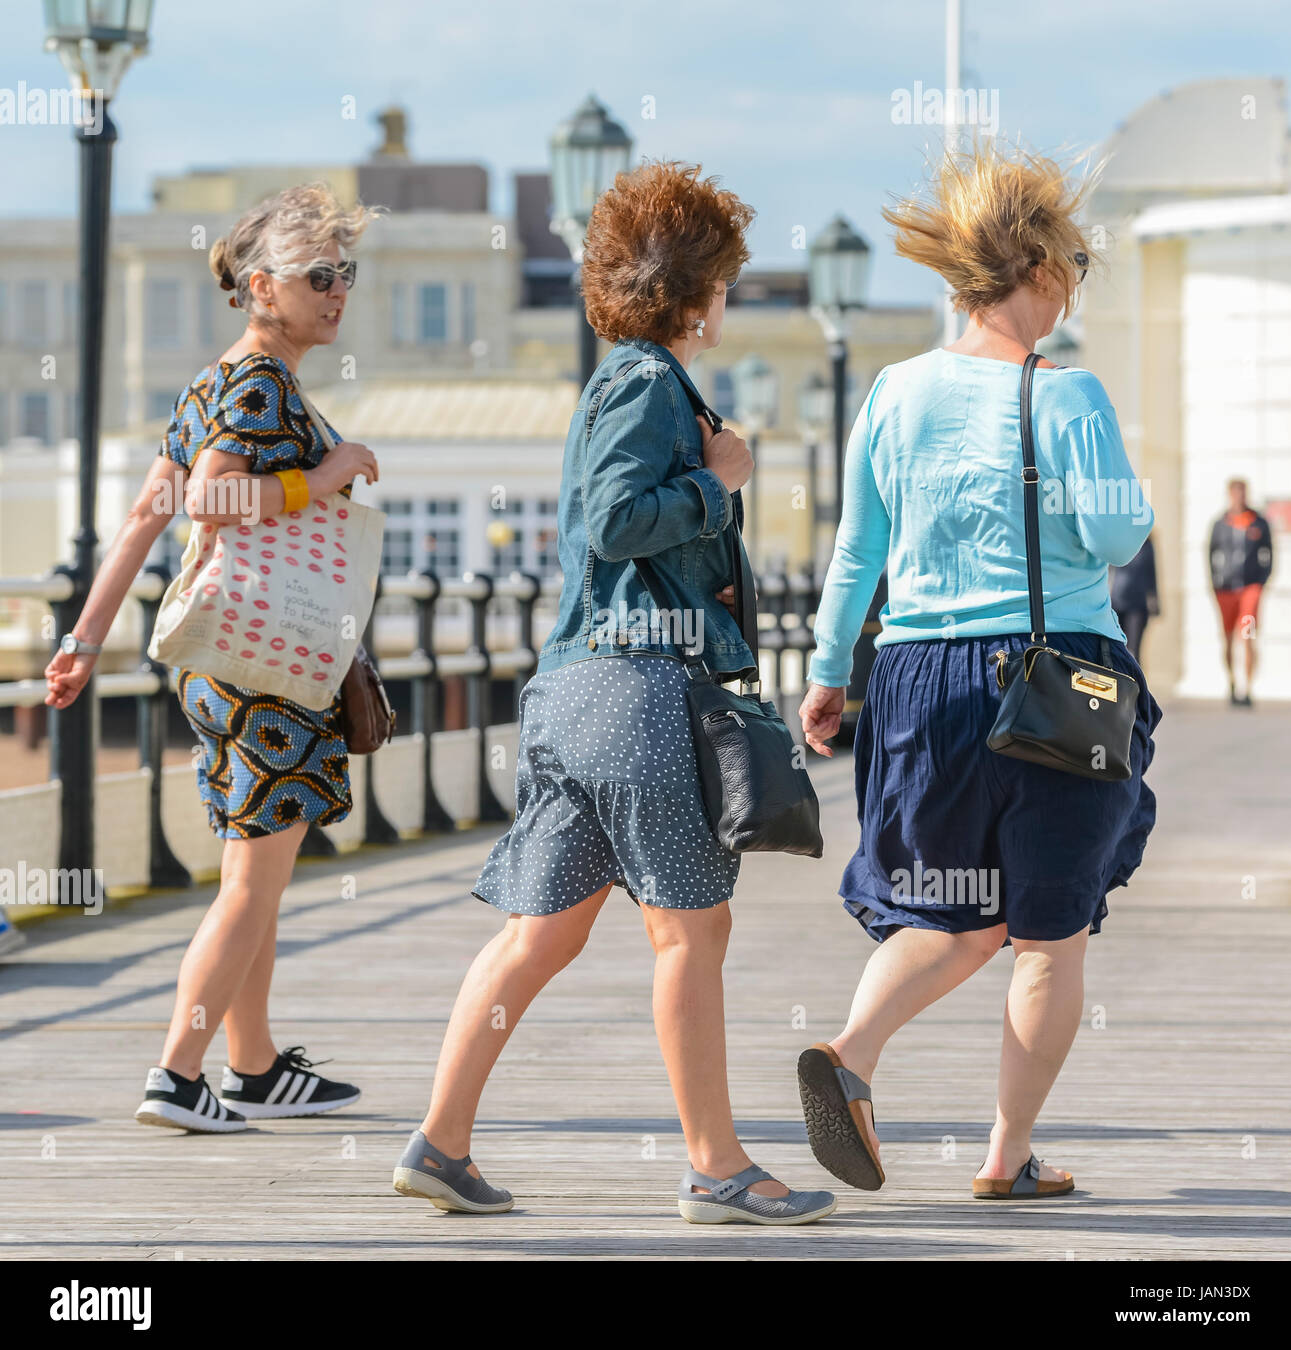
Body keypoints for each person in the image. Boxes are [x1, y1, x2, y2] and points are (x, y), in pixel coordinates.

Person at [392, 161, 836, 1225]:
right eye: (725, 278)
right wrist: (716, 484)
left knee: (538, 934)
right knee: (692, 932)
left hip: (573, 691)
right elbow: (617, 521)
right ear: (697, 290)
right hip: (638, 693)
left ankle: (440, 1142)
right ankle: (716, 1165)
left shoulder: (624, 382)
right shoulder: (646, 383)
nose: (729, 295)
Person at [796, 141, 1161, 1200]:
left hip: (914, 680)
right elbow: (1113, 538)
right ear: (1041, 269)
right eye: (1074, 271)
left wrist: (826, 674)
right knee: (1048, 934)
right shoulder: (1069, 393)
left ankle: (852, 1053)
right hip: (1056, 685)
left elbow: (856, 552)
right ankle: (1004, 1156)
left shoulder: (891, 393)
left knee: (948, 909)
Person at [44, 184, 381, 1132]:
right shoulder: (258, 385)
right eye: (320, 274)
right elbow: (210, 504)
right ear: (262, 287)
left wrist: (81, 640)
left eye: (345, 272)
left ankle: (255, 1063)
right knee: (250, 886)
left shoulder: (211, 381)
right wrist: (328, 472)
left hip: (223, 660)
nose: (338, 290)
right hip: (262, 665)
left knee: (255, 875)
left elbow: (146, 516)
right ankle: (177, 1074)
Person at [1210, 479, 1273, 707]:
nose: (1239, 498)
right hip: (1225, 590)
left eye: (1243, 493)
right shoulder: (1220, 523)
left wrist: (1261, 582)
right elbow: (1211, 553)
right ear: (1229, 495)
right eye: (1235, 494)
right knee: (1227, 639)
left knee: (1247, 636)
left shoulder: (1259, 522)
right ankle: (1232, 683)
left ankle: (1248, 687)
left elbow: (1269, 554)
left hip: (1250, 589)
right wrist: (1215, 583)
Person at [1109, 534, 1159, 663]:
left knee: (1134, 650)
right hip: (1116, 602)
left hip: (1138, 605)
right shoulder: (1117, 540)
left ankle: (1135, 682)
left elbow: (1152, 573)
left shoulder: (1147, 543)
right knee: (1116, 648)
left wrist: (1155, 600)